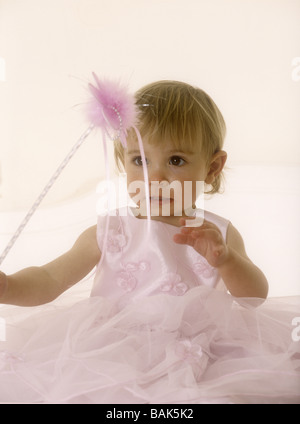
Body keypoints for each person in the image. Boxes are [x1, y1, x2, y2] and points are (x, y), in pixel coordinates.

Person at [0, 80, 299, 404]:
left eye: (175, 161)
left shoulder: (217, 233)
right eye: (140, 161)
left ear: (212, 167)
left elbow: (255, 296)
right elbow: (50, 279)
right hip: (112, 351)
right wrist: (9, 286)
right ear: (122, 160)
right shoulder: (112, 229)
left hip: (201, 350)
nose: (154, 178)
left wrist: (227, 261)